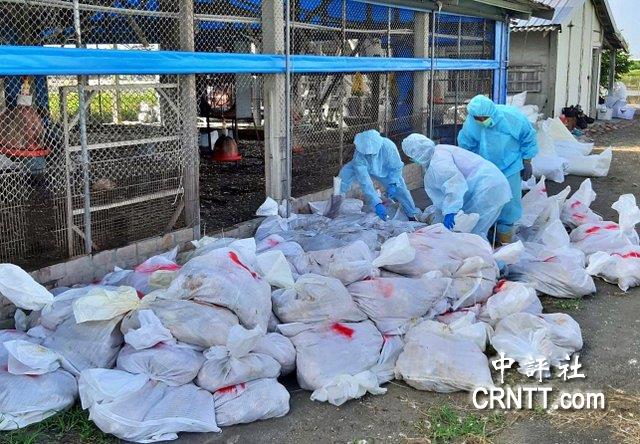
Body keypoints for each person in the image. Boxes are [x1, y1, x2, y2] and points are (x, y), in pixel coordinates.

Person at [457, 95, 538, 244]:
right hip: (485, 168)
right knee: (485, 199)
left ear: (491, 112)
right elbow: (466, 143)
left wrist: (527, 161)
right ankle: (486, 233)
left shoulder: (512, 118)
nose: (481, 121)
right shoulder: (472, 122)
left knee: (509, 201)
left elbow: (528, 138)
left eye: (484, 118)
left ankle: (504, 238)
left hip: (510, 166)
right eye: (477, 118)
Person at [401, 134, 512, 239]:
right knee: (475, 230)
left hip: (486, 189)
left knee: (472, 235)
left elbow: (454, 185)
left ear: (418, 154)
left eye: (411, 156)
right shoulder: (441, 150)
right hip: (493, 183)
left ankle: (481, 257)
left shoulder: (438, 164)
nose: (412, 160)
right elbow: (444, 195)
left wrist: (450, 210)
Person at [339, 129, 419, 220]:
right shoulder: (359, 156)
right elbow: (366, 183)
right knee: (344, 175)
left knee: (401, 190)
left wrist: (393, 183)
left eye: (372, 153)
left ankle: (411, 214)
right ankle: (337, 201)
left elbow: (396, 167)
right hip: (366, 168)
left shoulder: (388, 146)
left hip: (386, 170)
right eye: (367, 154)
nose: (370, 156)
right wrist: (377, 203)